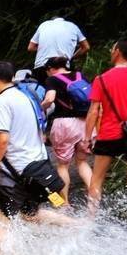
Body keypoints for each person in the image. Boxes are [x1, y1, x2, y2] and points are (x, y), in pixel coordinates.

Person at [0, 61, 73, 251]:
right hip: (38, 167)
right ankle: (77, 225)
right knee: (30, 214)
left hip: (17, 171)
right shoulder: (25, 96)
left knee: (2, 219)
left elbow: (2, 140)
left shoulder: (0, 100)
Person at [85, 37, 127, 231]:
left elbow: (93, 111)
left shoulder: (102, 79)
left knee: (97, 178)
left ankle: (90, 220)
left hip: (109, 134)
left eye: (112, 48)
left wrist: (87, 138)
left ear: (117, 52)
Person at [41, 56, 92, 203]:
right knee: (82, 161)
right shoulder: (79, 75)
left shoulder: (52, 79)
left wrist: (40, 107)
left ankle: (65, 204)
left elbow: (50, 99)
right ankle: (93, 197)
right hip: (85, 123)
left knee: (63, 165)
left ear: (50, 69)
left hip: (65, 124)